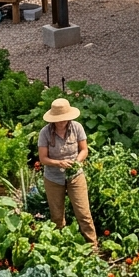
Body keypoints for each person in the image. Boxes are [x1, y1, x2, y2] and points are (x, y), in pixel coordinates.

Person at [37, 97, 98, 247]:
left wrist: (76, 162)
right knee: (57, 216)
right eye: (58, 119)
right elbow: (43, 158)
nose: (61, 122)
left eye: (64, 119)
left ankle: (92, 245)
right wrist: (59, 163)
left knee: (83, 213)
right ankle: (60, 246)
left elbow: (84, 150)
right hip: (53, 178)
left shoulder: (77, 128)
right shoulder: (45, 133)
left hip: (75, 176)